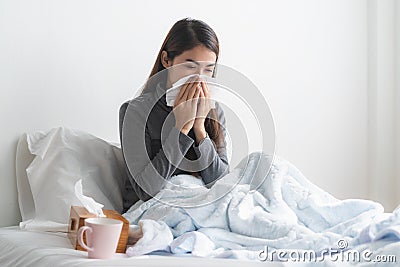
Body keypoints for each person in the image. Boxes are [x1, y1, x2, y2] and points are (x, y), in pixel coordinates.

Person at [119, 18, 230, 211]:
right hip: (153, 211)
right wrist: (182, 127)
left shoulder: (214, 111)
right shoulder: (134, 112)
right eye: (190, 66)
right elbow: (145, 191)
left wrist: (200, 128)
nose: (198, 78)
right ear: (166, 60)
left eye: (208, 69)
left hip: (201, 208)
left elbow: (222, 185)